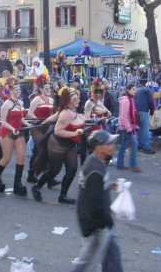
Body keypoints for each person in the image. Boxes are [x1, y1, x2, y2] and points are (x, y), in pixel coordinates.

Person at [70, 130, 123, 272]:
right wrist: (102, 225)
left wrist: (108, 186)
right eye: (109, 143)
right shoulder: (94, 168)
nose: (113, 145)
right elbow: (93, 202)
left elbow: (93, 189)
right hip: (96, 224)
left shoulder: (96, 162)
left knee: (112, 253)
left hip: (102, 220)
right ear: (98, 147)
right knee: (87, 262)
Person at [31, 88, 85, 204]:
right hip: (58, 144)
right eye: (74, 100)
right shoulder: (67, 113)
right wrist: (75, 133)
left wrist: (44, 122)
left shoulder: (70, 111)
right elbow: (58, 130)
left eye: (77, 99)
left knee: (72, 169)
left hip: (70, 144)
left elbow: (54, 117)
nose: (78, 101)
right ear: (69, 102)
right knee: (54, 171)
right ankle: (37, 186)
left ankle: (63, 196)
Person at [0, 78, 31, 196]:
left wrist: (28, 124)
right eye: (16, 89)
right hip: (7, 132)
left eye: (19, 89)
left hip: (18, 131)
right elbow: (3, 122)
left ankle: (17, 183)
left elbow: (20, 118)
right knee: (6, 158)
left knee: (21, 156)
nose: (18, 91)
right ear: (11, 90)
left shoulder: (21, 103)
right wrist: (12, 129)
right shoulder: (6, 104)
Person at [26, 79, 58, 184]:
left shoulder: (51, 100)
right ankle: (46, 176)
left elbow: (52, 114)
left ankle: (32, 174)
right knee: (41, 149)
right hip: (37, 127)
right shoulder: (37, 99)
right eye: (46, 88)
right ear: (41, 89)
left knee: (38, 150)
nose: (48, 90)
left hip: (46, 127)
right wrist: (39, 121)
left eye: (49, 88)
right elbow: (30, 113)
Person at [117, 83, 141, 172]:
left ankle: (120, 164)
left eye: (135, 89)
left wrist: (134, 126)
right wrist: (129, 128)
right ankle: (133, 164)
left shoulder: (130, 99)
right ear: (128, 90)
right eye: (133, 89)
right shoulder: (127, 100)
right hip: (126, 127)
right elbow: (124, 116)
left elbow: (131, 115)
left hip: (127, 126)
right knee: (134, 143)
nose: (135, 91)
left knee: (123, 145)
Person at [134, 83, 156, 154]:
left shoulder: (136, 91)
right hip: (143, 110)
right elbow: (150, 101)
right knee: (145, 129)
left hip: (136, 110)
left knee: (139, 128)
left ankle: (139, 144)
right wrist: (152, 112)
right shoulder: (147, 90)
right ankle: (147, 146)